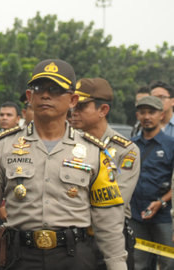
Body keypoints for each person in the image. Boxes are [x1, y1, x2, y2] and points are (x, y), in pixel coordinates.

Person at [0, 59, 128, 270]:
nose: (45, 95)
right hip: (20, 257)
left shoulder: (93, 152)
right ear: (29, 97)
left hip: (74, 257)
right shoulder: (3, 147)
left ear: (73, 100)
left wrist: (117, 265)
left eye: (55, 90)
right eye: (39, 88)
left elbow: (109, 221)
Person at [71, 77, 141, 269]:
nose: (73, 113)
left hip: (111, 237)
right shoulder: (68, 144)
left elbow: (116, 198)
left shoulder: (126, 150)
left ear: (103, 110)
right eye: (73, 107)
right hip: (73, 239)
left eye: (81, 107)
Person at [130, 95, 174, 270]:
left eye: (151, 112)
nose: (147, 117)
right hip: (135, 215)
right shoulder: (130, 145)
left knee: (168, 262)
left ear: (161, 115)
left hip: (163, 215)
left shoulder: (171, 145)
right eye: (142, 112)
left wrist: (162, 202)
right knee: (138, 262)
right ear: (137, 115)